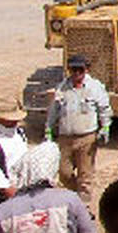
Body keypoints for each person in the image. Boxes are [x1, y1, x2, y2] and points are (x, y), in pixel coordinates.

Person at [45, 55, 112, 215]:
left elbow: (104, 108)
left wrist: (105, 127)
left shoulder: (94, 87)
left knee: (85, 175)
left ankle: (84, 207)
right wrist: (48, 130)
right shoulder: (62, 88)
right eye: (73, 70)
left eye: (80, 70)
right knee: (64, 173)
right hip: (65, 138)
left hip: (87, 137)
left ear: (86, 70)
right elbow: (53, 111)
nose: (76, 73)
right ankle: (76, 195)